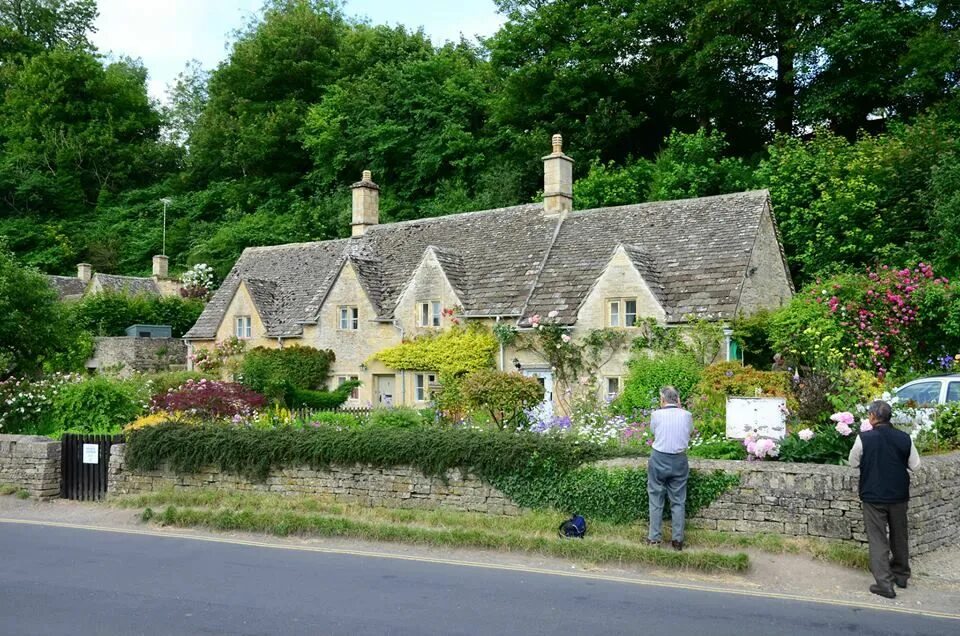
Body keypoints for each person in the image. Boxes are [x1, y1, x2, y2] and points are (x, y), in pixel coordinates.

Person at [848, 400, 921, 599]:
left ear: (872, 417)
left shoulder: (864, 438)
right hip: (898, 494)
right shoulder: (904, 438)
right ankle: (901, 575)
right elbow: (915, 465)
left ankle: (884, 583)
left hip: (873, 495)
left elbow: (853, 463)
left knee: (878, 538)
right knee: (900, 535)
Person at [647, 386, 694, 551]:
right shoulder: (687, 415)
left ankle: (654, 539)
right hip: (679, 459)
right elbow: (689, 432)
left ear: (662, 399)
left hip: (659, 457)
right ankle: (677, 541)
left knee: (655, 498)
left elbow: (654, 431)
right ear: (678, 400)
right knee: (678, 501)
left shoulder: (656, 415)